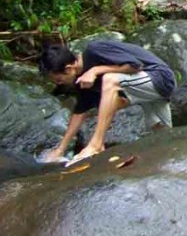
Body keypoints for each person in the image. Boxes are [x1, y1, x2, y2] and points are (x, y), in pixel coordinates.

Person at [39, 41, 176, 165]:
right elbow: (79, 113)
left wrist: (95, 70)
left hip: (160, 77)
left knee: (110, 80)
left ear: (69, 69)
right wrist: (60, 150)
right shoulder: (83, 82)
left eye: (58, 79)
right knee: (164, 137)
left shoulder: (95, 50)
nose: (58, 84)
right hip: (148, 94)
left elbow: (135, 65)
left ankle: (97, 144)